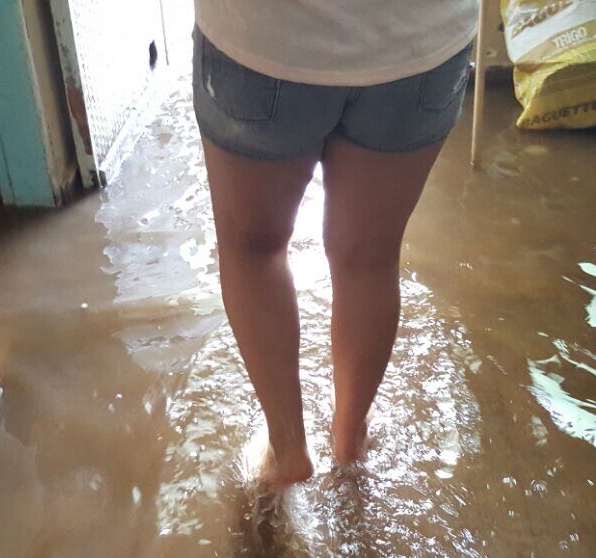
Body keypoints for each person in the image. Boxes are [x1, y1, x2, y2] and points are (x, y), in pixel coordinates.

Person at [192, 0, 479, 486]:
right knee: (368, 259)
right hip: (418, 43)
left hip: (265, 39)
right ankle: (349, 442)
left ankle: (288, 451)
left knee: (254, 250)